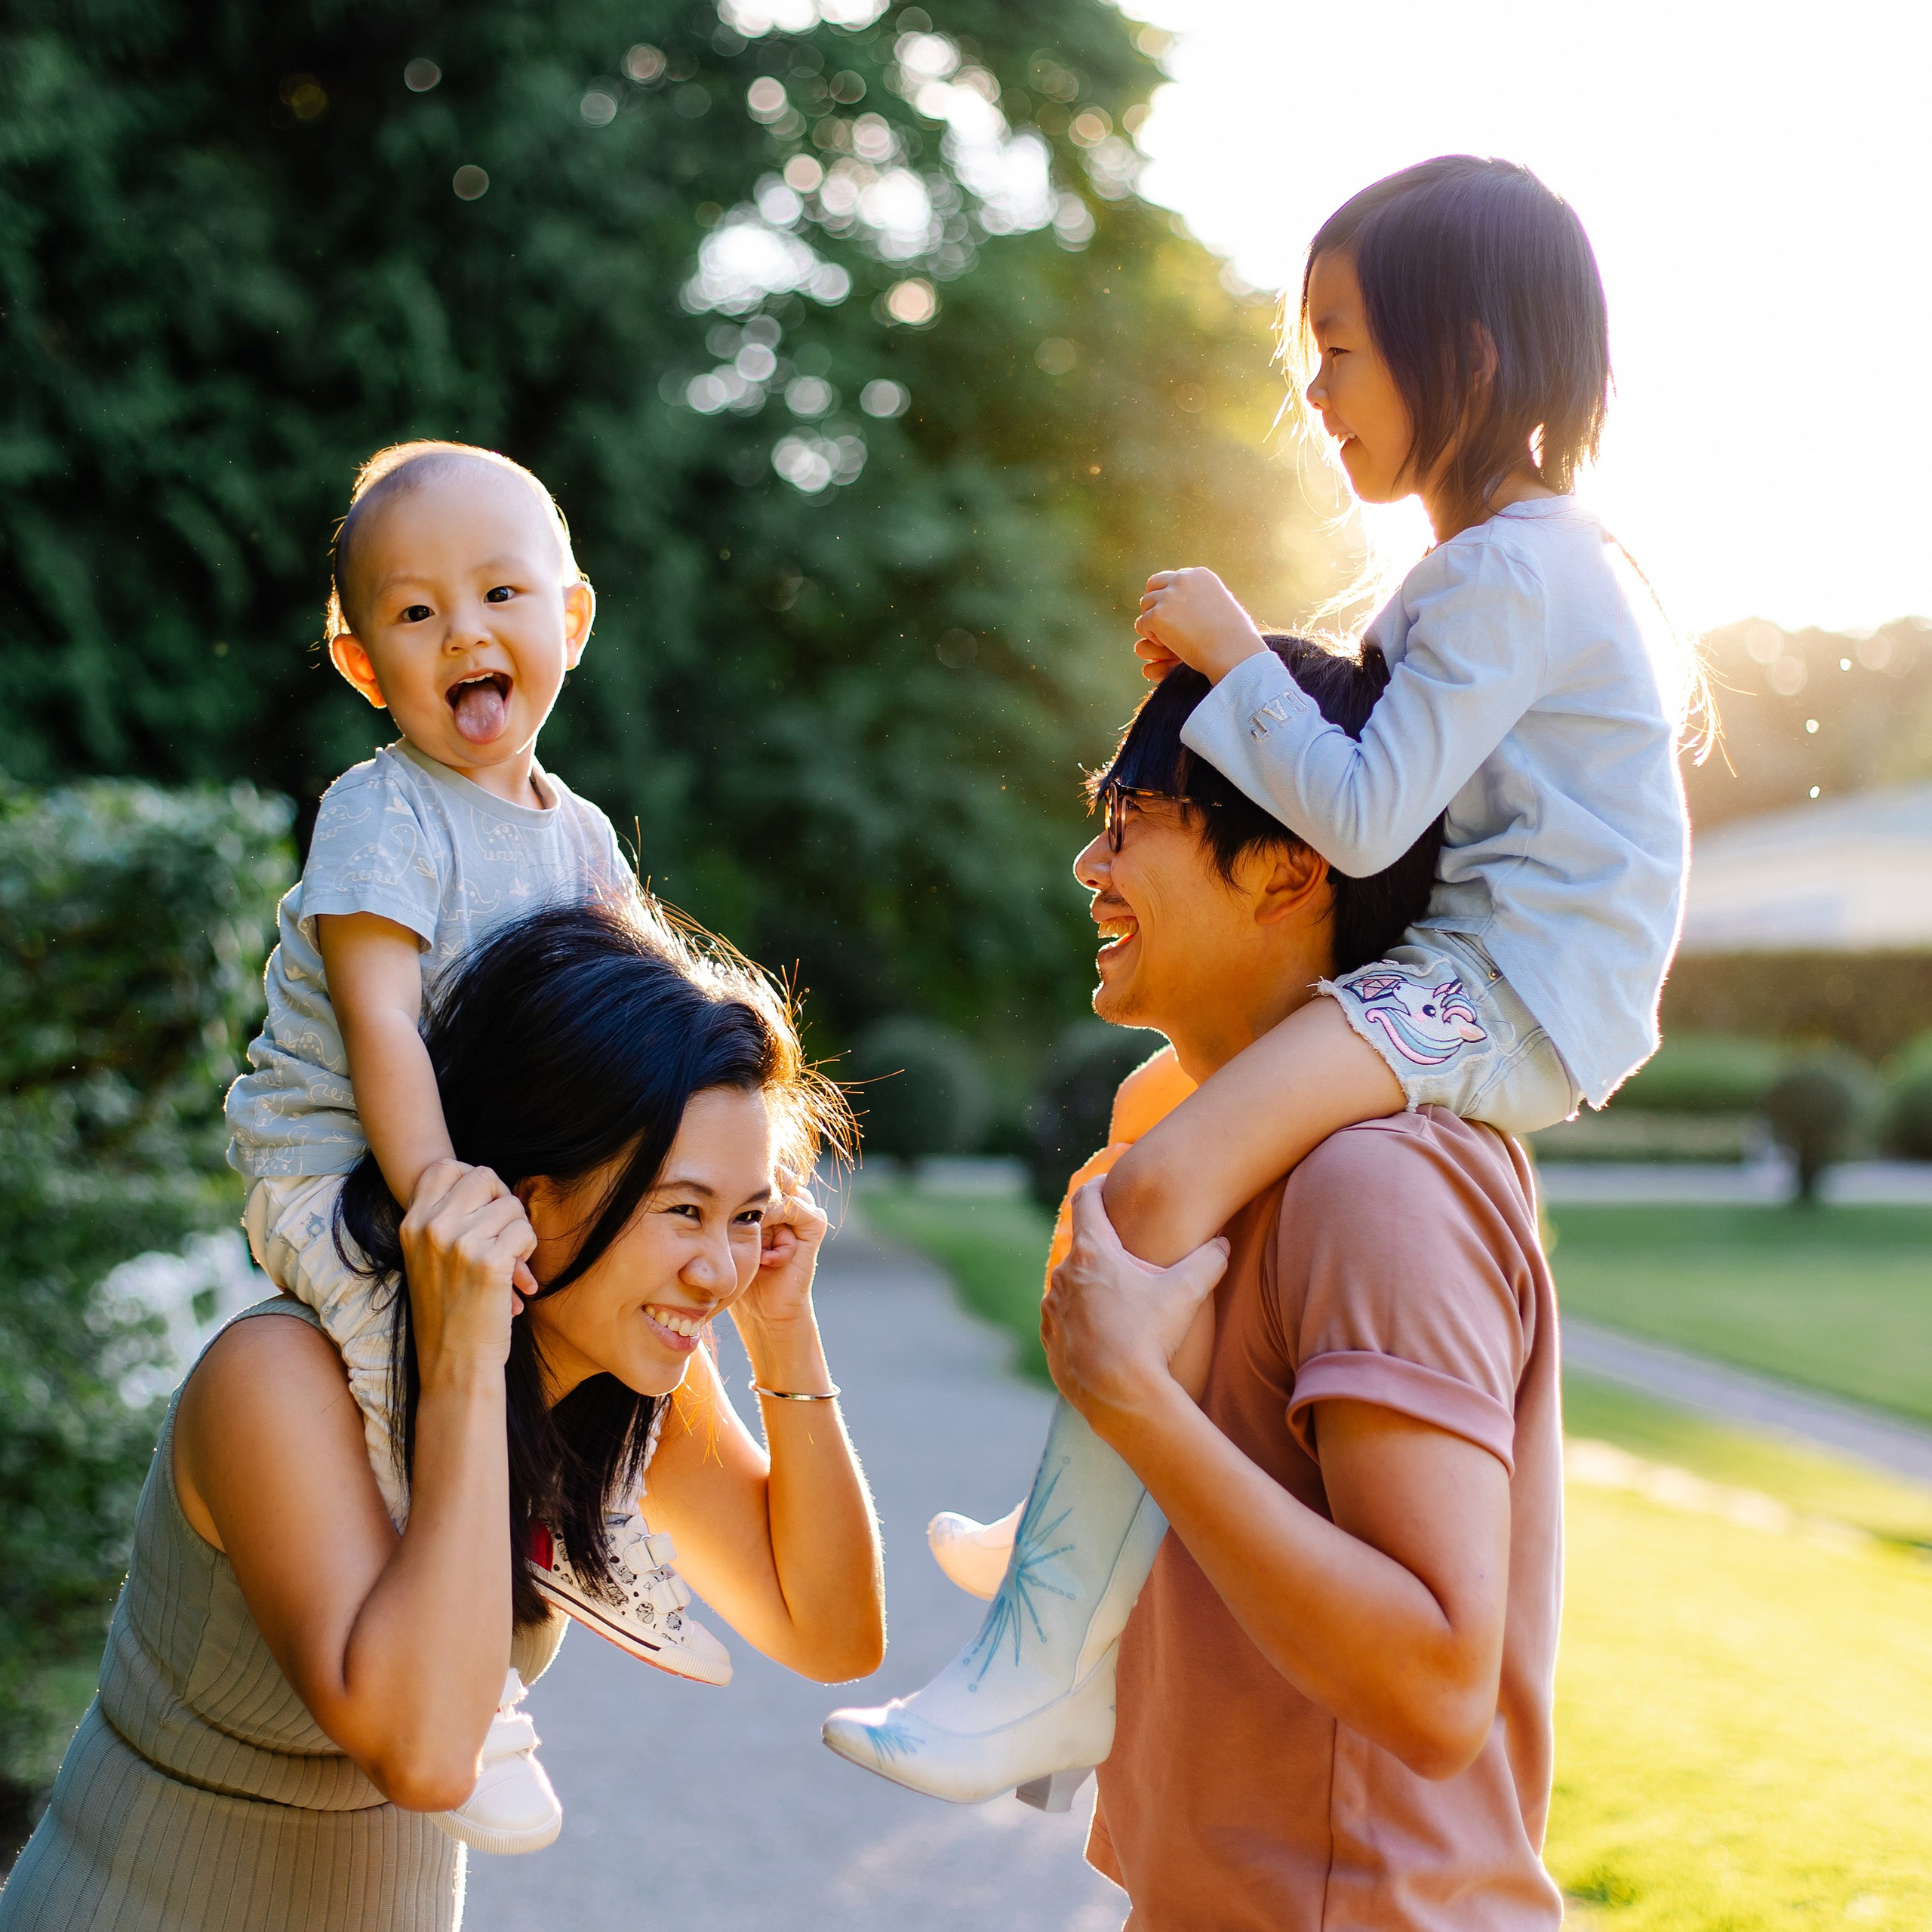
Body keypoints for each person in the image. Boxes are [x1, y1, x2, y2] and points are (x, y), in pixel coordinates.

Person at [830, 153, 1689, 1807]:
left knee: (1154, 1184)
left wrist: (1235, 652)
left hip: (1496, 993)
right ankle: (1068, 1534)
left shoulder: (1516, 568)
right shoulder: (1494, 570)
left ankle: (1039, 1656)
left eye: (1341, 345)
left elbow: (1361, 810)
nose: (1312, 388)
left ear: (1474, 358)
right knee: (1161, 1105)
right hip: (1477, 979)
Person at [0, 899, 883, 1931]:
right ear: (524, 1196)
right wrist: (468, 1354)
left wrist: (784, 1332)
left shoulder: (625, 1376)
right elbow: (422, 1754)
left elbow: (830, 1634)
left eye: (745, 1218)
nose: (718, 1269)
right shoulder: (283, 1378)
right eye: (682, 1211)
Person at [860, 648, 1564, 1926]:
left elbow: (1437, 1685)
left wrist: (1134, 1400)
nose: (1092, 866)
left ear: (1291, 867)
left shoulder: (1380, 1185)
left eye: (1131, 825)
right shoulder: (1202, 1149)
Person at [223, 438, 722, 1842]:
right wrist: (436, 1187)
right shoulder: (379, 813)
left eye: (501, 593)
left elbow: (650, 1011)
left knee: (596, 1311)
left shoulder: (580, 840)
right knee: (404, 1341)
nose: (466, 633)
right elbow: (382, 1025)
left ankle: (583, 1517)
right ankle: (473, 1680)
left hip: (475, 1173)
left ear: (569, 619)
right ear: (361, 660)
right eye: (417, 612)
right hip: (337, 1165)